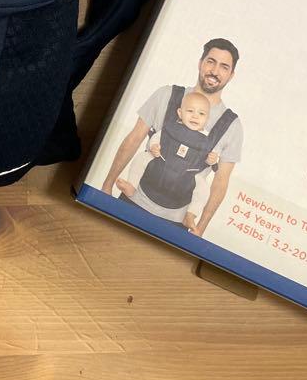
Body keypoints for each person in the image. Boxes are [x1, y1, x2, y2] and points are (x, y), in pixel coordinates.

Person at [101, 38, 244, 236]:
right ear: (200, 63)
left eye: (224, 67)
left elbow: (220, 182)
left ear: (231, 75)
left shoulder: (232, 126)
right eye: (210, 61)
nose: (215, 70)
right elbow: (134, 138)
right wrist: (107, 185)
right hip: (133, 200)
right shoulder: (166, 95)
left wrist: (200, 229)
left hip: (177, 221)